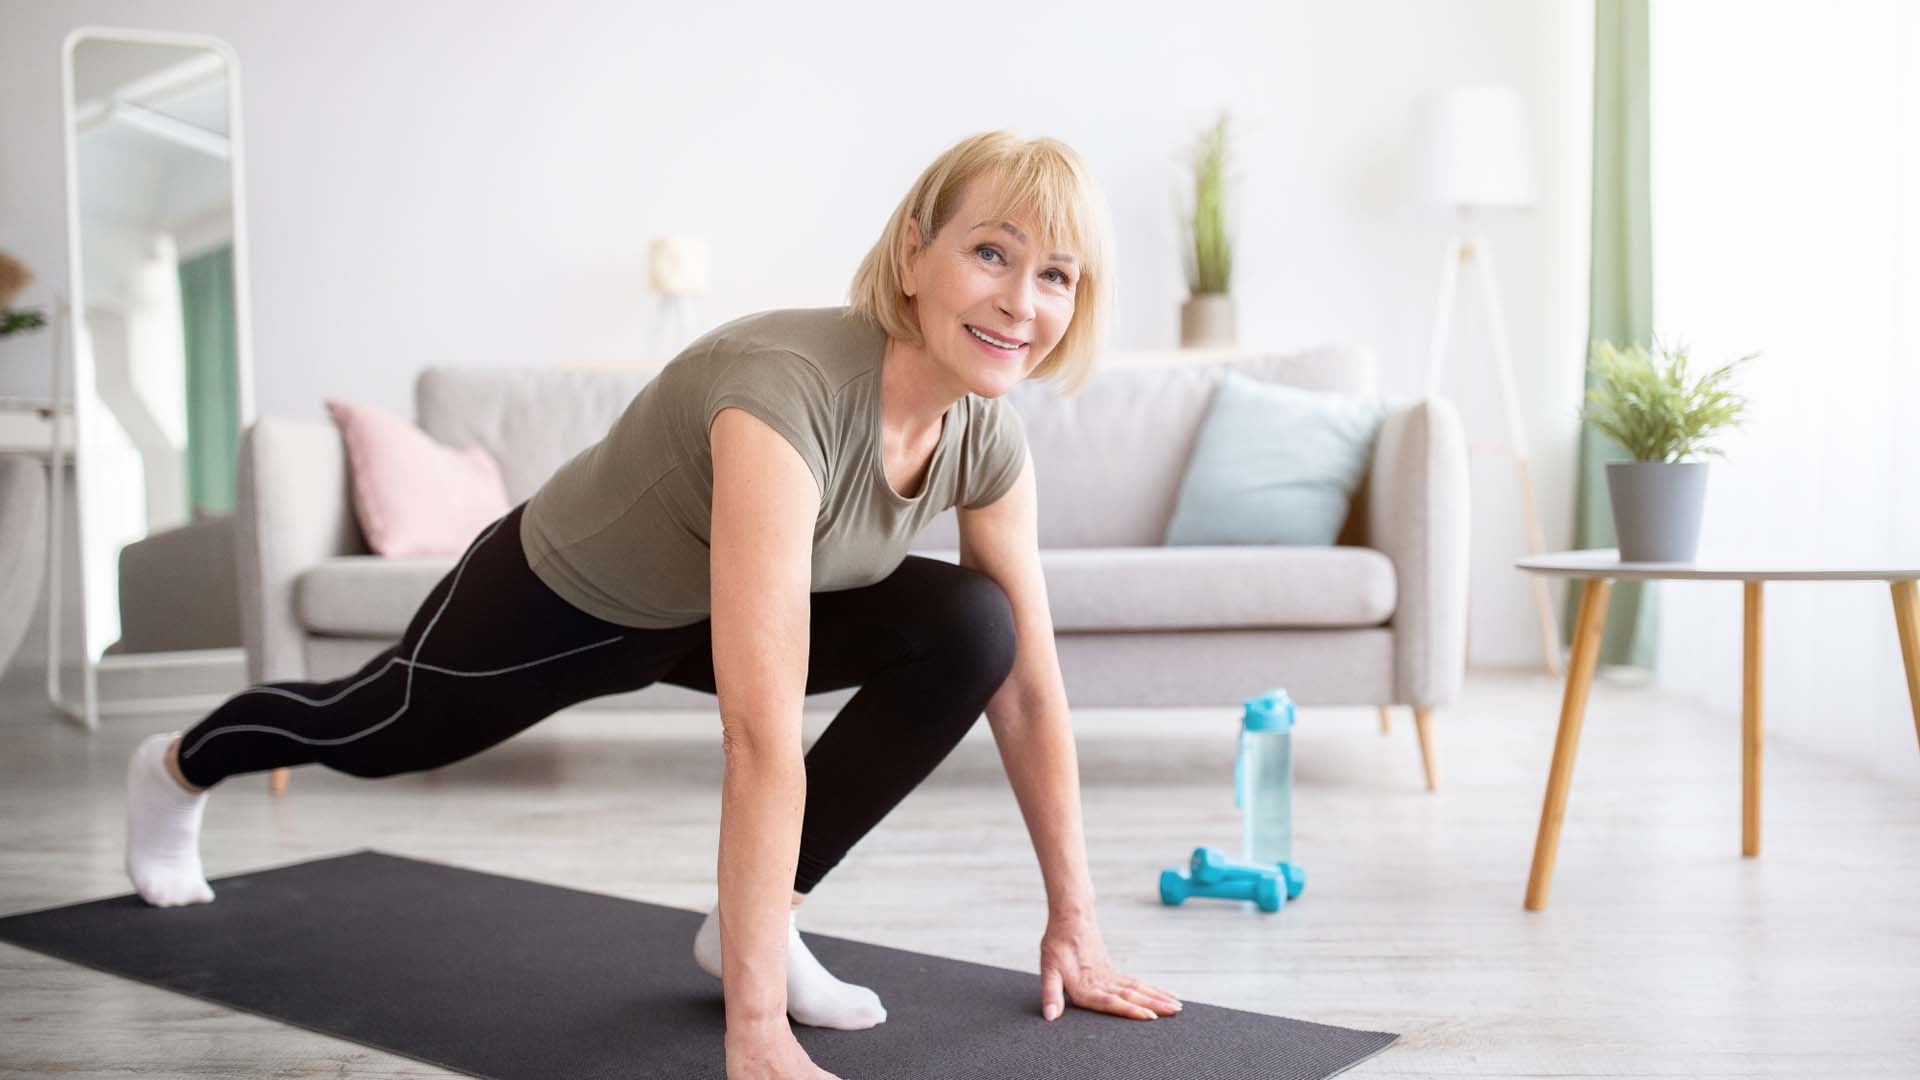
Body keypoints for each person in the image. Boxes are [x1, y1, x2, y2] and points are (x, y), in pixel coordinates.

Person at [122, 130, 1183, 1080]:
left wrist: (1075, 926)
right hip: (564, 599)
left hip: (707, 615)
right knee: (368, 727)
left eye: (1055, 274)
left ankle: (752, 926)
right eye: (991, 253)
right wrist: (754, 1033)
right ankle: (178, 767)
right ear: (914, 253)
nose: (1021, 301)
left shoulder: (987, 435)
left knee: (975, 628)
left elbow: (1032, 694)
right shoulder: (785, 391)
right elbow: (760, 737)